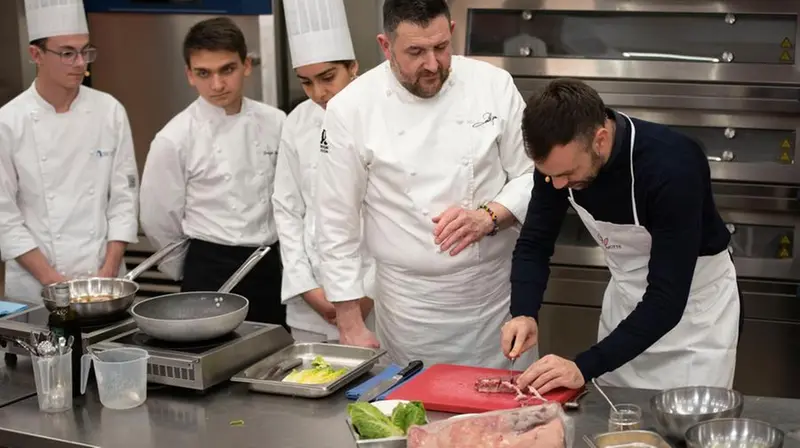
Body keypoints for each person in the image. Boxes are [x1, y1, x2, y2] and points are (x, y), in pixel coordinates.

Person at [313, 0, 536, 368]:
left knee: (508, 419)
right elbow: (337, 218)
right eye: (415, 52)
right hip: (410, 310)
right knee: (417, 416)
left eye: (441, 47)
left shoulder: (494, 85)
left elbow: (532, 174)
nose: (432, 64)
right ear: (385, 46)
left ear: (451, 31)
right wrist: (350, 322)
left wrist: (489, 216)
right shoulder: (351, 108)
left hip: (496, 299)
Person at [502, 78, 740, 392]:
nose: (557, 185)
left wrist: (583, 366)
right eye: (549, 175)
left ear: (600, 139)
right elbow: (535, 242)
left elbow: (667, 300)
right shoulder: (557, 163)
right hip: (627, 305)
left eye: (567, 174)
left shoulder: (673, 166)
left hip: (695, 314)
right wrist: (524, 311)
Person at [139, 17, 288, 328]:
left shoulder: (276, 122)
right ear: (189, 75)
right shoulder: (174, 138)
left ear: (246, 65)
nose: (217, 85)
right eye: (204, 73)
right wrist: (189, 268)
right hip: (210, 269)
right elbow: (157, 217)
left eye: (227, 70)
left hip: (270, 266)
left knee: (274, 361)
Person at [0, 0, 139, 304]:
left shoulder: (109, 111)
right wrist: (55, 283)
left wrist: (109, 269)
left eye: (85, 51)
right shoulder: (8, 122)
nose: (80, 63)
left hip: (105, 283)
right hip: (35, 290)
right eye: (67, 53)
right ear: (35, 55)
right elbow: (4, 216)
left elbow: (124, 198)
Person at [272, 0, 376, 343]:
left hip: (376, 300)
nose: (319, 93)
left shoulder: (382, 116)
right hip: (311, 303)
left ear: (353, 66)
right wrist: (307, 288)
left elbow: (400, 216)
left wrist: (366, 294)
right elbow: (287, 209)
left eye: (328, 78)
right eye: (306, 82)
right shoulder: (297, 122)